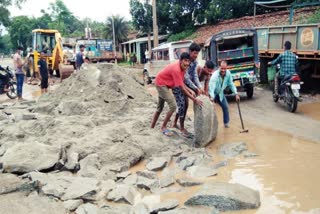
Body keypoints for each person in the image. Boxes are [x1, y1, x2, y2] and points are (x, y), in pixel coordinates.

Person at [151, 52, 203, 137]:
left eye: (188, 61)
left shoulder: (183, 68)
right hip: (161, 84)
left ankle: (151, 127)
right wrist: (194, 99)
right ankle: (163, 127)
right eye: (185, 61)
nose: (187, 63)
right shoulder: (176, 69)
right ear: (180, 61)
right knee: (173, 106)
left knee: (159, 108)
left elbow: (182, 83)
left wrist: (190, 90)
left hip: (164, 83)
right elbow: (182, 88)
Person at [171, 43, 203, 136]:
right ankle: (181, 127)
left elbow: (195, 76)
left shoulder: (195, 62)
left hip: (185, 84)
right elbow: (186, 78)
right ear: (190, 52)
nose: (196, 56)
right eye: (194, 53)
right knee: (183, 104)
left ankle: (175, 123)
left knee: (183, 104)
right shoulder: (185, 60)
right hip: (178, 84)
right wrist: (195, 88)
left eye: (197, 54)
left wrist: (199, 87)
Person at [208, 61, 240, 128]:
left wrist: (236, 94)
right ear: (219, 67)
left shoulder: (228, 74)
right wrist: (212, 98)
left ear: (226, 68)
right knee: (211, 109)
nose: (223, 70)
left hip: (220, 93)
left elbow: (231, 84)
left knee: (225, 107)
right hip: (213, 93)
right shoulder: (215, 76)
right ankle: (210, 125)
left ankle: (226, 123)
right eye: (222, 68)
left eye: (224, 69)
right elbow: (211, 88)